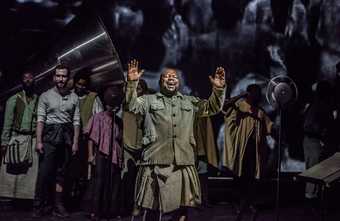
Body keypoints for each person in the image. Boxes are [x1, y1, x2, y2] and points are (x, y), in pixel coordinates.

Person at [125, 59, 226, 221]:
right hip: (156, 162)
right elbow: (132, 105)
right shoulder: (149, 100)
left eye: (175, 77)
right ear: (160, 81)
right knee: (152, 208)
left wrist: (219, 89)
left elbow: (212, 107)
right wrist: (132, 83)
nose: (171, 78)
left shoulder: (189, 102)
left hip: (183, 162)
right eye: (167, 76)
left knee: (182, 209)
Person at [33, 64, 80, 218]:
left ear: (68, 78)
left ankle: (57, 205)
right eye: (58, 76)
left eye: (64, 76)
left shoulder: (74, 97)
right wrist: (39, 141)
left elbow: (76, 121)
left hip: (66, 136)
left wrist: (75, 142)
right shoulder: (45, 96)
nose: (61, 79)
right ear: (54, 77)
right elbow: (40, 120)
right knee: (45, 173)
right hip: (50, 136)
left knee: (62, 174)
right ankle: (39, 205)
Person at [222, 84, 273, 221]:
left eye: (258, 94)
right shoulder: (239, 106)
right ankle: (239, 204)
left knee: (251, 179)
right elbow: (224, 106)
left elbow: (269, 127)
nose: (258, 96)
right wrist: (241, 95)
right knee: (239, 178)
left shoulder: (260, 112)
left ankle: (247, 204)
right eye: (254, 93)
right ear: (249, 94)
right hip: (241, 150)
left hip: (253, 152)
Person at [85, 85, 124, 221]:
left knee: (113, 183)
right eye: (110, 105)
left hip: (114, 155)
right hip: (101, 154)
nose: (112, 108)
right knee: (99, 182)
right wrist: (91, 155)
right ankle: (95, 211)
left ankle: (110, 210)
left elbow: (120, 139)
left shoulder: (118, 121)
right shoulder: (98, 117)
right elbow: (91, 138)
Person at [0, 72, 39, 200]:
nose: (28, 80)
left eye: (30, 78)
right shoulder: (13, 99)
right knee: (12, 169)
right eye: (25, 78)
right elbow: (7, 122)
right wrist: (4, 142)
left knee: (29, 172)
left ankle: (25, 198)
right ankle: (8, 197)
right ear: (22, 81)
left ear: (34, 80)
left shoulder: (38, 99)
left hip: (32, 139)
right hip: (16, 138)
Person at [68, 69, 104, 205]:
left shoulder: (93, 98)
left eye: (84, 84)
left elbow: (98, 118)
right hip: (69, 137)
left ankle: (81, 199)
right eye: (79, 84)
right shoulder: (69, 95)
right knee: (68, 170)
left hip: (86, 140)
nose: (81, 87)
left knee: (84, 171)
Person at [122, 79, 150, 216]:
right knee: (127, 178)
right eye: (135, 88)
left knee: (140, 180)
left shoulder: (146, 105)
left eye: (139, 88)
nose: (137, 90)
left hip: (142, 147)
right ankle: (125, 205)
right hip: (127, 145)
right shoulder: (125, 103)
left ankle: (137, 205)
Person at [303, 80, 334, 200]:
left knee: (315, 170)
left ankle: (313, 196)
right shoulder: (317, 106)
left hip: (315, 141)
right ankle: (311, 197)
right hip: (313, 141)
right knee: (314, 170)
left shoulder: (320, 105)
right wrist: (322, 132)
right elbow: (308, 126)